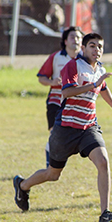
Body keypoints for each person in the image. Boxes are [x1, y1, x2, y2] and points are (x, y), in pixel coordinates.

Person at [13, 33, 112, 222]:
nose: (96, 49)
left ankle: (105, 214)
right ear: (83, 48)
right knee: (53, 174)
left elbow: (104, 89)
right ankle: (23, 185)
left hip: (88, 127)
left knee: (103, 161)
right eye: (92, 45)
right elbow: (66, 91)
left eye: (100, 46)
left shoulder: (100, 69)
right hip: (65, 129)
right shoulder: (73, 65)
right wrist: (93, 85)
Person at [36, 26, 83, 166]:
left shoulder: (84, 59)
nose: (76, 40)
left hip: (76, 103)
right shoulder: (56, 57)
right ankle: (50, 161)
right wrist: (52, 82)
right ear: (65, 41)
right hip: (55, 101)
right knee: (55, 133)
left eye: (79, 37)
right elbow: (41, 77)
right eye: (72, 37)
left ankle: (55, 159)